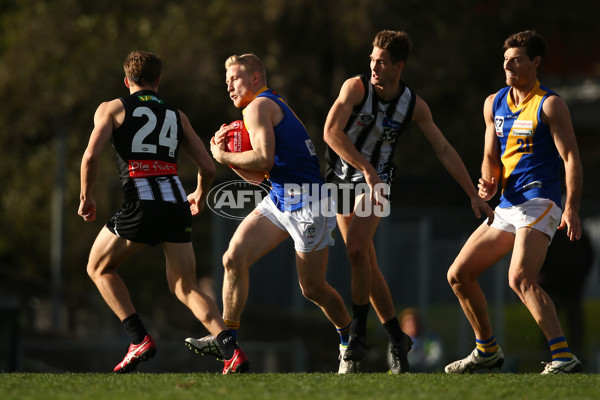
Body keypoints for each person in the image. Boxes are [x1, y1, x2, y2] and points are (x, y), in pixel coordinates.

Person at [323, 29, 494, 373]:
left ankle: (356, 333)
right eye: (372, 59)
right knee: (364, 262)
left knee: (357, 249)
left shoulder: (412, 105)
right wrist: (364, 167)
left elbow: (443, 149)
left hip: (379, 181)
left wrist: (471, 194)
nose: (374, 66)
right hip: (341, 177)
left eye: (381, 62)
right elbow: (331, 132)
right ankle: (396, 338)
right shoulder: (355, 88)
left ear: (398, 66)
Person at [78, 51, 249, 374]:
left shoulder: (112, 108)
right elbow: (208, 166)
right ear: (158, 81)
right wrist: (200, 192)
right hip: (176, 205)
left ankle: (137, 337)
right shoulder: (176, 114)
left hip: (142, 203)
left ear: (127, 81)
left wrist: (86, 196)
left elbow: (90, 157)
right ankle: (231, 350)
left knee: (98, 267)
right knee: (186, 287)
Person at [184, 53, 354, 373]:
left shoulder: (258, 106)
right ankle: (227, 341)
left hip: (309, 203)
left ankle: (349, 339)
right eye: (226, 82)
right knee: (232, 258)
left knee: (312, 288)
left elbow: (263, 158)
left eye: (234, 78)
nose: (229, 86)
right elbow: (262, 174)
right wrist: (231, 159)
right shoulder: (264, 105)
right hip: (280, 198)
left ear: (256, 79)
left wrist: (221, 154)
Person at [445, 30, 584, 375]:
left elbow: (571, 160)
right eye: (505, 58)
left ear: (536, 62)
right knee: (459, 275)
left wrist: (572, 207)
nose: (507, 63)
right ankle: (487, 350)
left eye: (517, 58)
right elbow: (490, 156)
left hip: (541, 200)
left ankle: (563, 357)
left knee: (520, 277)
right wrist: (488, 182)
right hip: (508, 203)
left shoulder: (549, 104)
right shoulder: (493, 103)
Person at [387, 308, 445, 372]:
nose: (412, 323)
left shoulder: (432, 339)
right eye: (408, 320)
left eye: (415, 320)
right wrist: (420, 360)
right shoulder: (397, 341)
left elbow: (437, 360)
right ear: (401, 325)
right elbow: (394, 362)